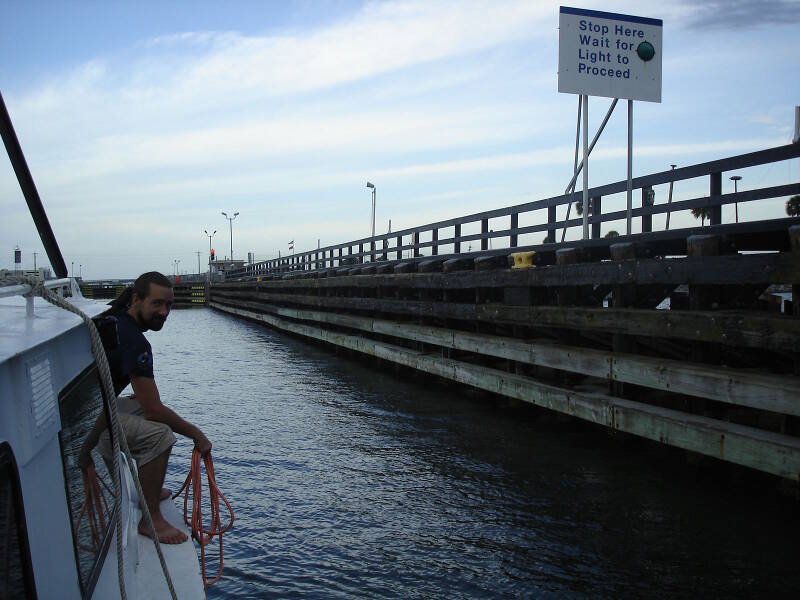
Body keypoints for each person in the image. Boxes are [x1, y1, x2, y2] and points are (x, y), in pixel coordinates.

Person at [82, 271, 211, 544]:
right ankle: (150, 517)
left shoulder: (115, 321)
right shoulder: (135, 341)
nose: (164, 312)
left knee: (144, 408)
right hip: (92, 421)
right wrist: (196, 434)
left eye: (169, 305)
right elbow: (153, 409)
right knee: (160, 434)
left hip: (94, 412)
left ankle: (147, 491)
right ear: (136, 299)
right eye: (157, 303)